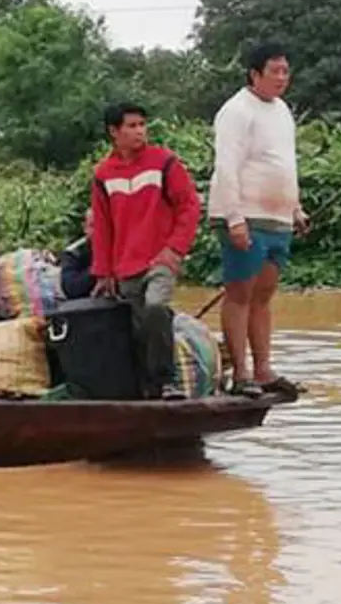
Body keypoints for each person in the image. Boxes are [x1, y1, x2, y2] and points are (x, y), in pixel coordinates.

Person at [210, 42, 308, 399]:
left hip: (278, 217)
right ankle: (241, 372)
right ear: (255, 74)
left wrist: (295, 208)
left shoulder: (282, 111)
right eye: (275, 71)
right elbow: (227, 166)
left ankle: (264, 368)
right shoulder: (236, 111)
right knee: (240, 294)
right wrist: (234, 218)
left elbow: (284, 163)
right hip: (245, 215)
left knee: (264, 296)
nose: (282, 78)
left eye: (286, 71)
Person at [88, 102, 203, 401]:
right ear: (114, 132)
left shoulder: (164, 162)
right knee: (138, 328)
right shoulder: (103, 174)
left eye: (142, 125)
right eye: (132, 126)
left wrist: (175, 249)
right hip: (125, 264)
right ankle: (147, 389)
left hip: (160, 258)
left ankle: (168, 381)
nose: (140, 131)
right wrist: (104, 271)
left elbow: (189, 206)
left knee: (155, 307)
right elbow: (103, 227)